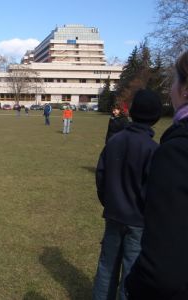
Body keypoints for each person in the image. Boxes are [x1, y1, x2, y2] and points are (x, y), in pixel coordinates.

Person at [125, 51, 188, 300]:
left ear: (185, 89)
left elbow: (163, 268)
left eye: (173, 81)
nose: (170, 89)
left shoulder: (177, 151)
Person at [92, 89, 162, 300]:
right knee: (130, 269)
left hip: (116, 214)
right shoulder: (153, 149)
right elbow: (152, 191)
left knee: (107, 265)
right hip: (136, 220)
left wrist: (110, 202)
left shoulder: (115, 142)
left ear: (131, 112)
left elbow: (101, 177)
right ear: (156, 118)